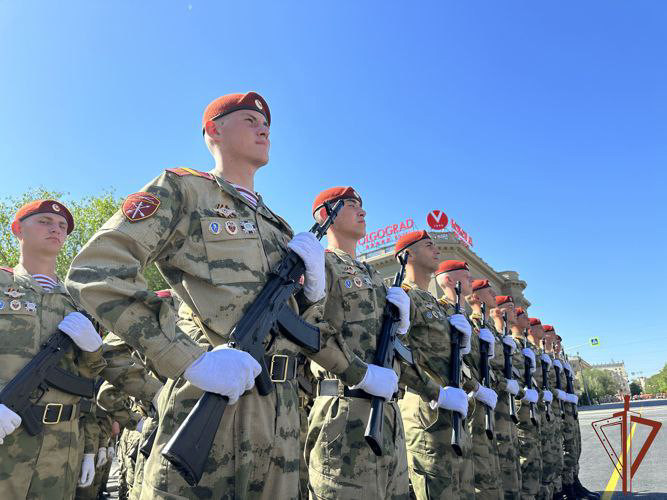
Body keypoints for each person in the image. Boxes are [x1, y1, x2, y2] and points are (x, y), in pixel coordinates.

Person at [66, 92, 367, 499]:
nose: (263, 128)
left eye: (267, 125)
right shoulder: (185, 190)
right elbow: (97, 269)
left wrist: (312, 293)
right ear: (214, 130)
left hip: (281, 416)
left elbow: (302, 327)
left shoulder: (278, 228)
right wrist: (188, 360)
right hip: (212, 397)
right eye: (248, 120)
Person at [304, 189, 435, 498]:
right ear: (326, 216)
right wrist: (360, 373)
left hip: (388, 416)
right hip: (345, 411)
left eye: (362, 206)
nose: (362, 212)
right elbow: (310, 328)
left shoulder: (375, 277)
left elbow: (390, 349)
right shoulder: (322, 265)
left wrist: (401, 329)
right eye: (351, 205)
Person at [0, 200, 106, 498]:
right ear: (17, 229)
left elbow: (90, 380)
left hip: (62, 447)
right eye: (44, 221)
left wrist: (94, 350)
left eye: (62, 226)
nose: (56, 229)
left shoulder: (80, 301)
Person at [393, 231, 473, 499]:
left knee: (462, 488)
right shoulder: (405, 296)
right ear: (409, 255)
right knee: (439, 489)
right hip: (427, 407)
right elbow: (397, 353)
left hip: (453, 404)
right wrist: (436, 393)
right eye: (429, 245)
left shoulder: (435, 304)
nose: (436, 249)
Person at [438, 264, 500, 500]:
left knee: (479, 474)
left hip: (469, 403)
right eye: (467, 276)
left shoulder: (471, 321)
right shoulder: (444, 310)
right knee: (459, 479)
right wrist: (477, 388)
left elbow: (474, 363)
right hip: (448, 402)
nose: (472, 279)